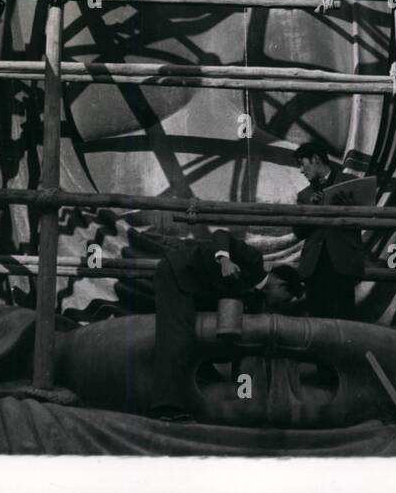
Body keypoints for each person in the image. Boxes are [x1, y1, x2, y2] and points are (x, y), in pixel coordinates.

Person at [151, 229, 303, 421]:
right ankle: (166, 407)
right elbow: (221, 234)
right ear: (280, 284)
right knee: (177, 336)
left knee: (204, 335)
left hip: (198, 289)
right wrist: (225, 260)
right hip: (178, 272)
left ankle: (204, 375)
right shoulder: (253, 259)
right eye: (285, 299)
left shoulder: (255, 300)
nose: (280, 305)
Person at [293, 144, 365, 320]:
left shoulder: (350, 183)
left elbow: (365, 219)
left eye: (303, 164)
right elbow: (298, 231)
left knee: (344, 320)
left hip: (343, 264)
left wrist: (349, 208)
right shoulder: (304, 195)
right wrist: (313, 209)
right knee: (317, 321)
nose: (301, 170)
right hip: (314, 268)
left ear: (316, 159)